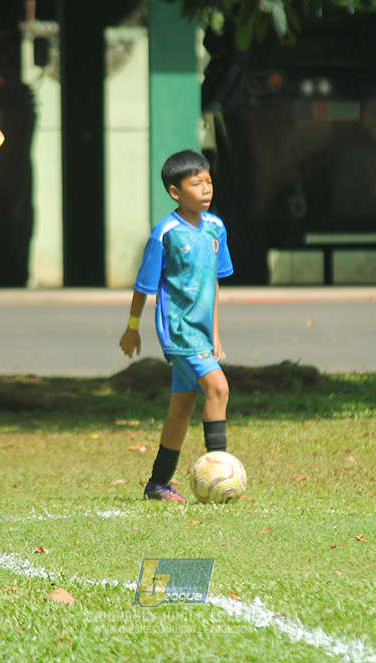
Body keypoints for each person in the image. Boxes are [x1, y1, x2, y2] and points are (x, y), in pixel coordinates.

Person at [119, 149, 234, 501]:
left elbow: (214, 282)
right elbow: (144, 286)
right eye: (196, 184)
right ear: (175, 192)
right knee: (218, 389)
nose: (206, 189)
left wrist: (214, 333)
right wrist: (132, 327)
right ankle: (221, 474)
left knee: (180, 411)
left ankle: (157, 484)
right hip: (179, 331)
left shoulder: (216, 227)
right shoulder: (165, 232)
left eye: (209, 181)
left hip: (200, 333)